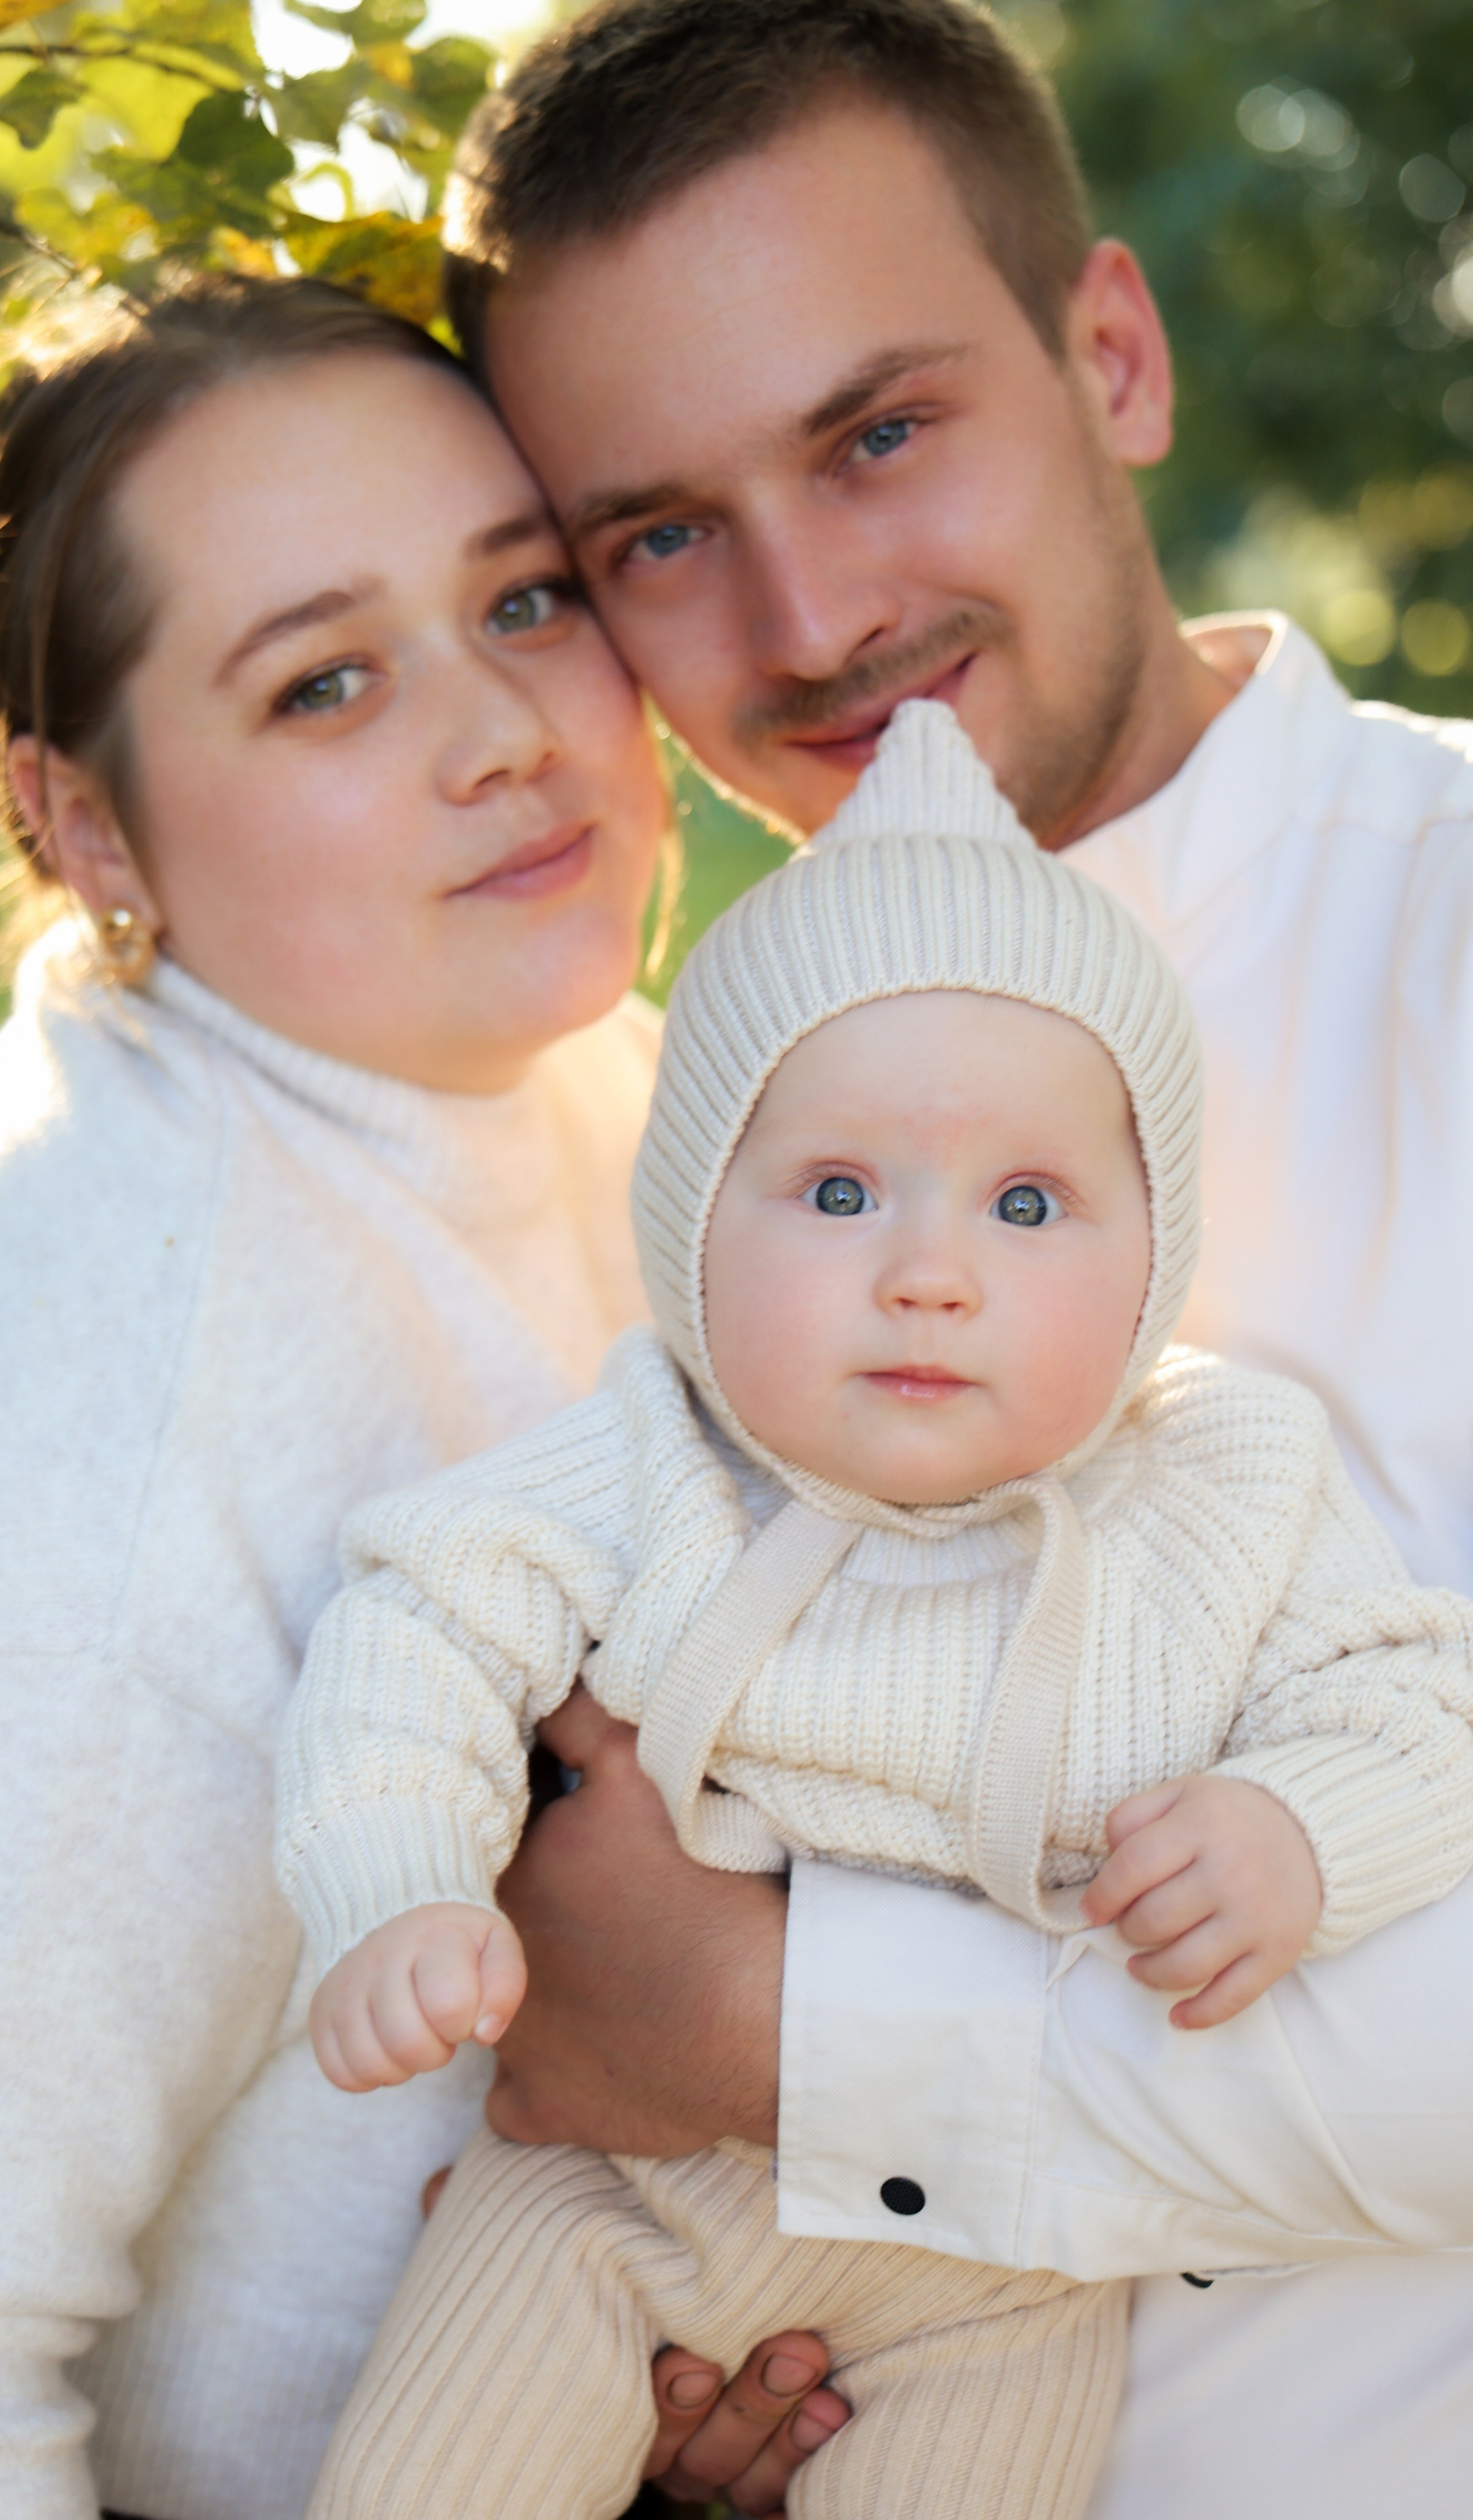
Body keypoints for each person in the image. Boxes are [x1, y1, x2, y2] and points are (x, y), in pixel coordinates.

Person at [429, 2, 1473, 2510]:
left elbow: (671, 2001)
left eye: (879, 432)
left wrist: (777, 2037)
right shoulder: (642, 1151)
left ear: (1111, 354)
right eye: (657, 533)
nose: (810, 617)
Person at [0, 270, 801, 2520]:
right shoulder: (73, 1441)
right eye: (322, 681)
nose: (501, 733)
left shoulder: (574, 1087)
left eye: (523, 600)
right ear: (92, 833)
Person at [279, 699, 1473, 2520]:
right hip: (607, 2193)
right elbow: (415, 1631)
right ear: (692, 1227)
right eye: (838, 1192)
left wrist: (1296, 1826)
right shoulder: (650, 1458)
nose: (929, 1275)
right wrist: (400, 1884)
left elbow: (1413, 1705)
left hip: (1017, 2290)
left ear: (1154, 1251)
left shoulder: (1226, 1481)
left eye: (1027, 1203)